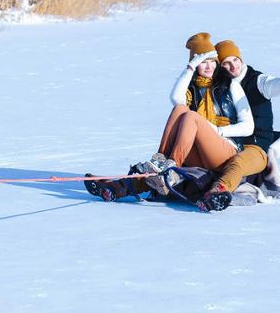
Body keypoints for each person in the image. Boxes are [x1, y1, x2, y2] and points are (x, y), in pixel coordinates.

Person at [86, 33, 254, 208]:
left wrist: (217, 131)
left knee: (190, 116)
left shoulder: (230, 85)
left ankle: (169, 165)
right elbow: (176, 99)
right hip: (198, 152)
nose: (209, 66)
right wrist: (190, 68)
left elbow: (248, 127)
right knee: (181, 109)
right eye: (203, 61)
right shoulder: (190, 88)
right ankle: (121, 186)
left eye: (212, 61)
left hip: (226, 149)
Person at [202, 40, 280, 200]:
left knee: (237, 164)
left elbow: (277, 84)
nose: (233, 66)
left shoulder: (257, 82)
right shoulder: (219, 86)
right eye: (226, 63)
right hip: (230, 141)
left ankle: (219, 192)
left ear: (241, 59)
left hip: (255, 142)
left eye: (235, 60)